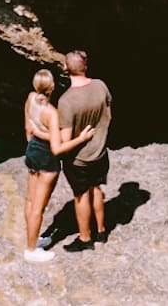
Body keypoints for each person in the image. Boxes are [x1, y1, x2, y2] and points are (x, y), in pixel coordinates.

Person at [22, 68, 95, 262]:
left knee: (30, 201)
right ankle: (31, 251)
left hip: (32, 151)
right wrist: (82, 138)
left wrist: (36, 136)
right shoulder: (52, 113)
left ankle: (31, 240)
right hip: (47, 158)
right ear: (52, 87)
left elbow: (28, 127)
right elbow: (57, 149)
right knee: (39, 207)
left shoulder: (30, 98)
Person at [54, 49, 112, 251]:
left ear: (65, 68)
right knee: (96, 190)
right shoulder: (100, 85)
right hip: (101, 152)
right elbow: (108, 115)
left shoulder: (66, 101)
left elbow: (64, 143)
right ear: (85, 67)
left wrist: (81, 138)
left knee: (81, 196)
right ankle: (102, 231)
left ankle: (85, 238)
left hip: (79, 160)